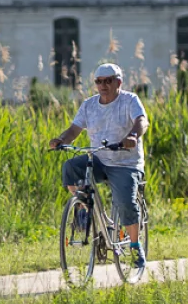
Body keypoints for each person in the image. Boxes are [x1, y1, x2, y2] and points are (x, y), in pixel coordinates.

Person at [47, 62, 149, 272]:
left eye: (108, 81)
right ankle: (84, 209)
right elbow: (74, 130)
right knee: (70, 167)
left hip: (125, 163)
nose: (103, 85)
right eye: (99, 82)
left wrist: (133, 136)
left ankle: (135, 245)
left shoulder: (130, 100)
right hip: (99, 159)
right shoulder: (89, 105)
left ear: (118, 82)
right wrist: (61, 140)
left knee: (125, 202)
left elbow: (142, 121)